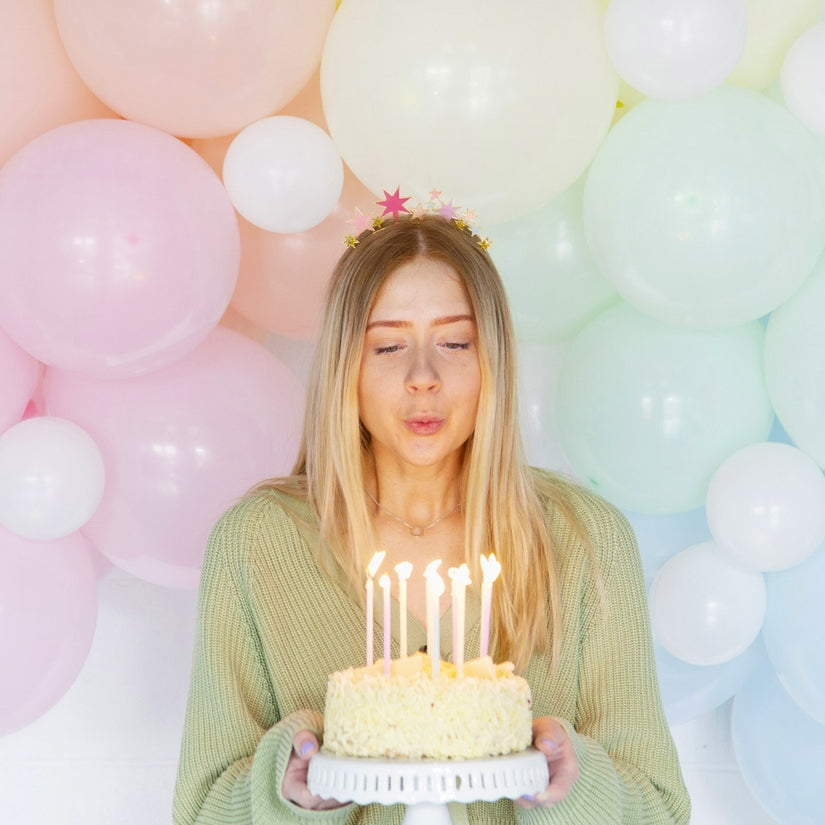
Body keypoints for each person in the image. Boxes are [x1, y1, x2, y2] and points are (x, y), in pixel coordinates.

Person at [173, 204, 691, 825]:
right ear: (346, 366)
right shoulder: (257, 544)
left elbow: (659, 811)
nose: (424, 377)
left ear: (492, 359)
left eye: (454, 342)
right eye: (389, 346)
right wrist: (287, 792)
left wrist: (572, 782)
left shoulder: (586, 540)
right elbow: (202, 812)